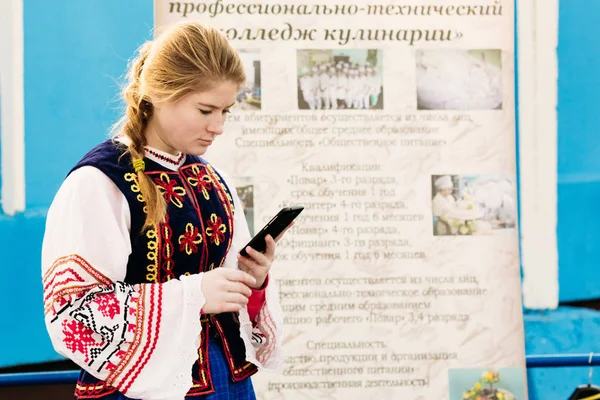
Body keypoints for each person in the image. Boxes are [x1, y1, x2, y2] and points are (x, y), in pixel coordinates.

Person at [41, 21, 289, 400]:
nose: (218, 126)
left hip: (227, 381)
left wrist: (251, 281)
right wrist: (194, 295)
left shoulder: (212, 179)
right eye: (206, 110)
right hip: (141, 388)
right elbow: (72, 312)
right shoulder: (99, 181)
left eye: (226, 110)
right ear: (159, 94)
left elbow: (227, 297)